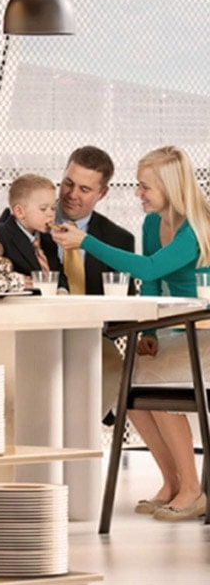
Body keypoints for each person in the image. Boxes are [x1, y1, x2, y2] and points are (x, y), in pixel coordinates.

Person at [53, 146, 210, 521]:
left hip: (202, 330)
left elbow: (150, 265)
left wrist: (85, 241)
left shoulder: (197, 226)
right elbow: (152, 282)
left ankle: (193, 490)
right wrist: (147, 332)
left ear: (170, 187)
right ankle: (172, 482)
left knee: (159, 383)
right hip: (177, 328)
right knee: (130, 383)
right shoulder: (152, 224)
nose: (138, 193)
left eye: (145, 187)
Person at [56, 146, 135, 295]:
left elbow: (125, 308)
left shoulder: (119, 241)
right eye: (68, 183)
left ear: (102, 194)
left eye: (84, 189)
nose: (73, 194)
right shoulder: (26, 222)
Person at [0, 173, 61, 289]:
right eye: (43, 209)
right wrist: (13, 282)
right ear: (20, 212)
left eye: (53, 208)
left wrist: (62, 290)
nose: (50, 214)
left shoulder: (48, 240)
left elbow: (59, 274)